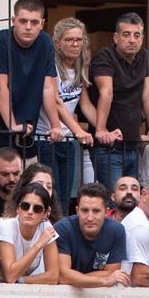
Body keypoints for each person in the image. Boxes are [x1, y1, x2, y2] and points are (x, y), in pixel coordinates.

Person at [0, 0, 60, 161]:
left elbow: (48, 88)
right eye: (23, 21)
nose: (28, 27)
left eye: (34, 22)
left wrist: (55, 126)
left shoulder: (45, 42)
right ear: (13, 21)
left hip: (27, 134)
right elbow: (0, 86)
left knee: (28, 185)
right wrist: (12, 124)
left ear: (42, 24)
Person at [87, 12, 149, 190]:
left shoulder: (143, 55)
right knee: (114, 198)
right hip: (108, 146)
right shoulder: (105, 56)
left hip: (132, 144)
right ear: (116, 37)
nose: (132, 40)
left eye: (137, 35)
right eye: (126, 34)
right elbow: (106, 91)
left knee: (130, 199)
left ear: (142, 38)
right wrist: (101, 130)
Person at [38, 17, 96, 205]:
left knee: (64, 198)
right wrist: (78, 130)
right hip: (47, 137)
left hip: (68, 139)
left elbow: (85, 104)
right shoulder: (51, 65)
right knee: (49, 195)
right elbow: (56, 101)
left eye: (79, 39)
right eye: (69, 39)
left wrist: (102, 128)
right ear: (57, 42)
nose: (75, 44)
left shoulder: (80, 68)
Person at [53, 182, 133, 289]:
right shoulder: (63, 228)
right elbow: (62, 276)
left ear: (106, 212)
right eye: (85, 210)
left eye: (96, 211)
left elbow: (112, 272)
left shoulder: (116, 231)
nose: (90, 217)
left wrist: (74, 278)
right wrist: (105, 280)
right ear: (77, 211)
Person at [0, 182, 61, 285]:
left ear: (45, 213)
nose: (30, 212)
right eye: (25, 206)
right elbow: (11, 276)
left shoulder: (46, 227)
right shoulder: (6, 227)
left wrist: (21, 280)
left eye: (37, 209)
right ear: (18, 208)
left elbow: (53, 277)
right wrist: (39, 244)